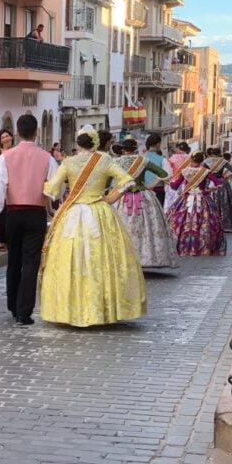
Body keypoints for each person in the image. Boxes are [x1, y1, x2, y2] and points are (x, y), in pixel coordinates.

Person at [41, 126, 147, 327]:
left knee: (71, 260)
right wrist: (109, 199)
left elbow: (52, 189)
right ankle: (103, 309)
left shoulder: (68, 162)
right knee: (103, 260)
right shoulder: (104, 160)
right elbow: (126, 181)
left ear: (77, 143)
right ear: (96, 143)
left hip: (72, 214)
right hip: (100, 212)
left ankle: (70, 310)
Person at [0, 114, 56, 325]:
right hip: (36, 212)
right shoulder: (47, 158)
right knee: (31, 262)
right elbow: (55, 187)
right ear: (37, 132)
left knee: (13, 259)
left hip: (13, 212)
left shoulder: (6, 157)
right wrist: (48, 197)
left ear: (16, 132)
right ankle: (25, 311)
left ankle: (13, 305)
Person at [112, 138, 179, 269]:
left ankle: (123, 258)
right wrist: (150, 185)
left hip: (121, 196)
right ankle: (146, 258)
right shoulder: (142, 161)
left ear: (123, 150)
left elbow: (107, 181)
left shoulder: (115, 162)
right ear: (135, 149)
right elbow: (164, 174)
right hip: (142, 195)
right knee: (147, 227)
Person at [166, 150, 225, 256]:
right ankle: (203, 247)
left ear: (191, 160)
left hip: (186, 200)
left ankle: (182, 246)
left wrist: (169, 182)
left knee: (179, 222)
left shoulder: (185, 171)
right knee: (206, 223)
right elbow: (218, 183)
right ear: (202, 160)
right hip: (203, 199)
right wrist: (208, 190)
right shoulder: (206, 172)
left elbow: (174, 187)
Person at [205, 147, 232, 231]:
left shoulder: (206, 161)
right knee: (223, 203)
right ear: (220, 153)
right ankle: (224, 223)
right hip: (221, 182)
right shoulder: (223, 161)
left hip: (209, 182)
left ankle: (210, 223)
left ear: (212, 152)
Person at [143, 134, 170, 206]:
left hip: (142, 192)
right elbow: (167, 176)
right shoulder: (162, 160)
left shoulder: (140, 159)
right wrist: (153, 184)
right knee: (158, 215)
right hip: (158, 192)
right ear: (158, 144)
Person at [164, 141, 191, 212]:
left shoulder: (173, 157)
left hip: (175, 181)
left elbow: (168, 168)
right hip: (186, 182)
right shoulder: (190, 158)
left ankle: (171, 214)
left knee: (172, 200)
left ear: (178, 148)